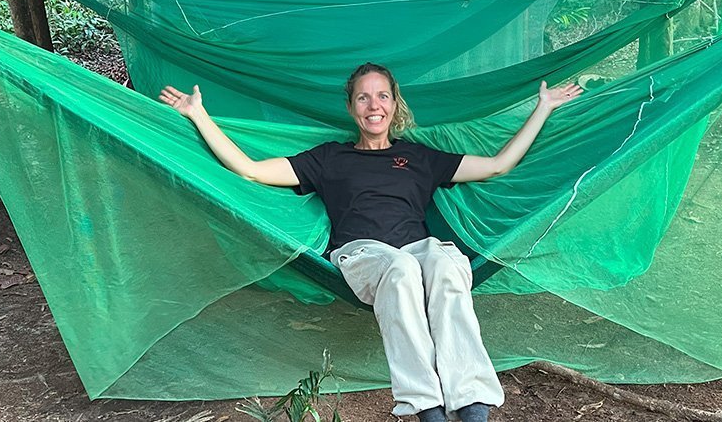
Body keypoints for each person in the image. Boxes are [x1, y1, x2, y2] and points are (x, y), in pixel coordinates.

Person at [159, 63, 581, 422]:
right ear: (351, 107)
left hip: (418, 253)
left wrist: (542, 108)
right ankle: (428, 408)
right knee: (400, 268)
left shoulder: (420, 157)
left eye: (381, 96)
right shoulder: (328, 159)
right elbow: (250, 169)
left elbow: (497, 166)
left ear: (394, 103)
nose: (373, 105)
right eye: (363, 98)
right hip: (363, 256)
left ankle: (472, 404)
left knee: (447, 264)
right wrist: (199, 115)